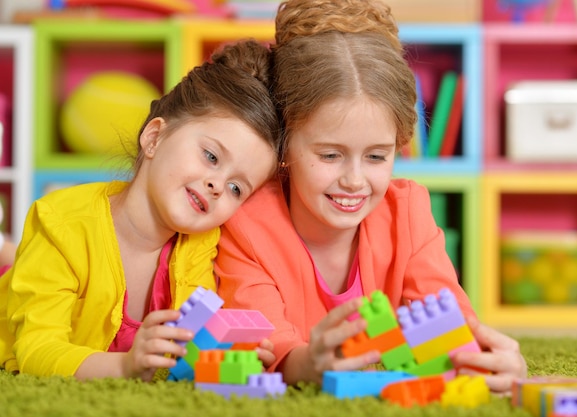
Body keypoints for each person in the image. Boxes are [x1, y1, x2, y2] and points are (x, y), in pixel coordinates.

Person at [215, 0, 527, 394]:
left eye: (377, 156)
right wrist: (305, 363)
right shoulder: (247, 225)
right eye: (330, 155)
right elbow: (263, 340)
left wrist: (488, 359)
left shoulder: (408, 213)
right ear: (284, 143)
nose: (355, 180)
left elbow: (449, 325)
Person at [0, 39, 280, 381]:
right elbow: (36, 353)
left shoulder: (201, 244)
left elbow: (191, 347)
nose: (217, 185)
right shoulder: (62, 225)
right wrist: (126, 365)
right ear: (154, 137)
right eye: (211, 156)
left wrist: (234, 355)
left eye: (237, 187)